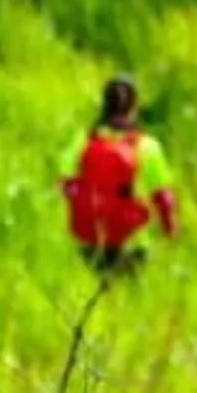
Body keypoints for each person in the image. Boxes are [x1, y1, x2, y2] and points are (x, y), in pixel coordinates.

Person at [60, 75, 179, 276]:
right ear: (134, 108)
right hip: (132, 239)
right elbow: (163, 198)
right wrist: (170, 231)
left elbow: (66, 183)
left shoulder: (83, 141)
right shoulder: (147, 147)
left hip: (89, 236)